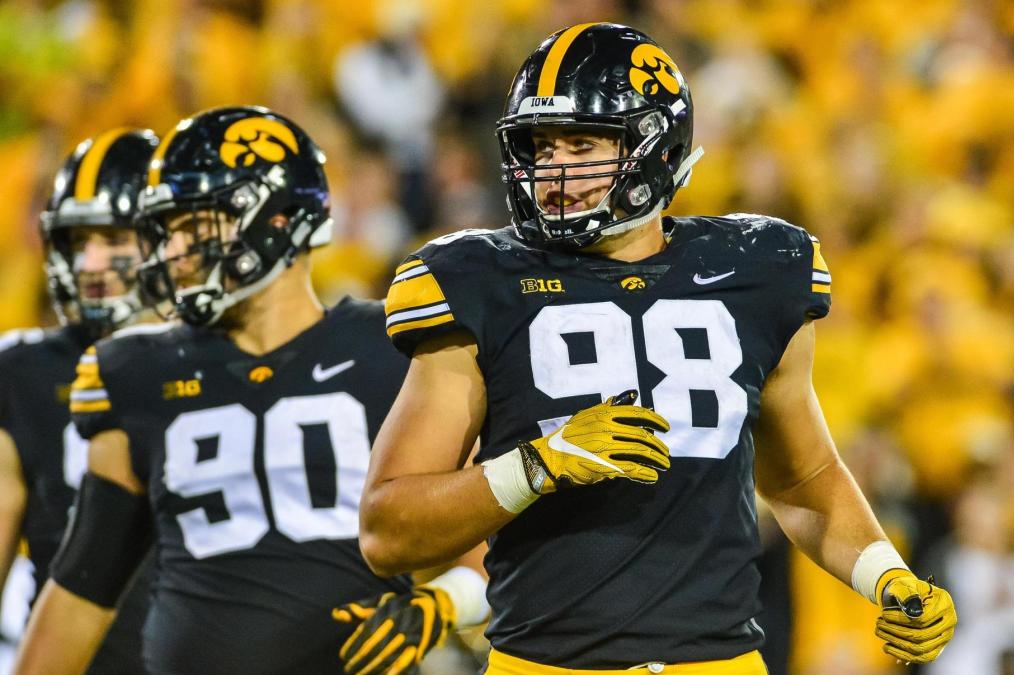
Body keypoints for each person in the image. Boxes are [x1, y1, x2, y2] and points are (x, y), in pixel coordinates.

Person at [360, 22, 957, 673]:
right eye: (540, 146)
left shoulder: (755, 273)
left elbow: (805, 481)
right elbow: (388, 528)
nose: (554, 171)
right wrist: (536, 465)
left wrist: (887, 576)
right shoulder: (481, 282)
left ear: (655, 148)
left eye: (582, 143)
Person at [14, 106, 486, 675]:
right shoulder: (134, 372)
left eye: (196, 226)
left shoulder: (390, 346)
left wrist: (441, 605)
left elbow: (494, 553)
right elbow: (81, 588)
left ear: (279, 220)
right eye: (168, 231)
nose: (174, 253)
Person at [0, 128, 160, 675]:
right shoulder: (21, 373)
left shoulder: (228, 355)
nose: (91, 263)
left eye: (115, 238)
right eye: (77, 241)